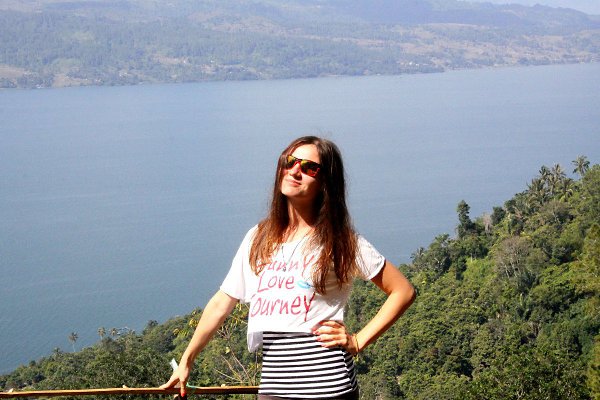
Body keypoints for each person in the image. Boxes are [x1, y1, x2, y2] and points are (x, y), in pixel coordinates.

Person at [161, 136, 416, 399]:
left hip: (328, 386)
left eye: (309, 168)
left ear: (325, 182)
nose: (295, 171)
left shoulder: (340, 241)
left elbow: (403, 291)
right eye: (290, 161)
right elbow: (222, 302)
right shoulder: (259, 237)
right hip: (275, 386)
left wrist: (358, 341)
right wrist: (187, 360)